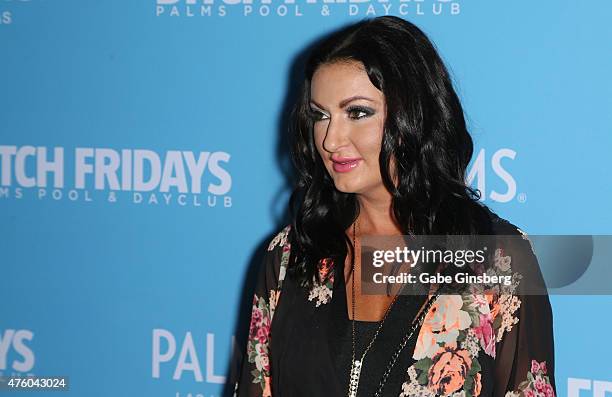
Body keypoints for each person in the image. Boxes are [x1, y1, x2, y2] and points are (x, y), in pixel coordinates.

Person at [233, 16, 556, 397]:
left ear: (414, 115)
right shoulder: (291, 255)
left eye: (357, 113)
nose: (331, 140)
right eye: (320, 115)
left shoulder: (498, 259)